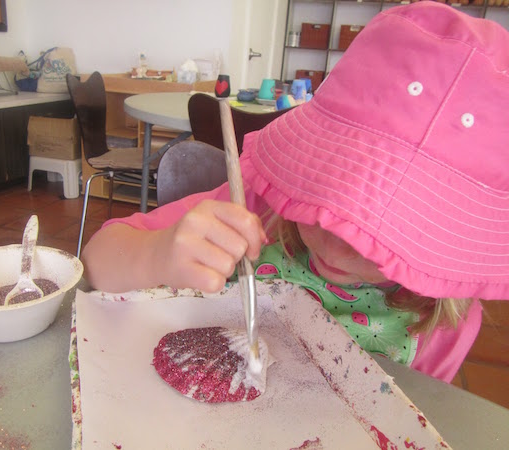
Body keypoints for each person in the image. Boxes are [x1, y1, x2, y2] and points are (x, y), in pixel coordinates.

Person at [82, 2, 509, 383]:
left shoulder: (444, 325)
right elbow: (98, 262)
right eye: (328, 201)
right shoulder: (253, 205)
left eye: (386, 238)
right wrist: (155, 256)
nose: (338, 252)